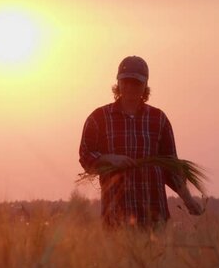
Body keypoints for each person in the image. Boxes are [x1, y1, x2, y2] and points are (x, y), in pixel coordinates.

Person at [79, 55, 203, 229]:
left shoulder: (158, 119)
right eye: (126, 81)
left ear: (145, 85)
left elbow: (172, 167)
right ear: (118, 83)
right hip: (116, 216)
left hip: (153, 216)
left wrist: (188, 200)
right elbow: (85, 155)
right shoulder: (99, 118)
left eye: (136, 83)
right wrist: (109, 158)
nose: (130, 87)